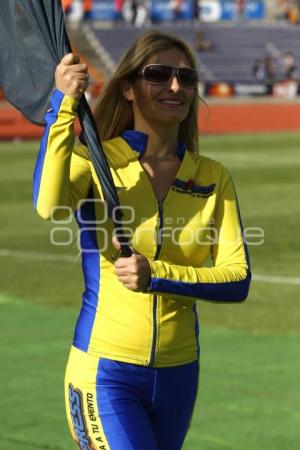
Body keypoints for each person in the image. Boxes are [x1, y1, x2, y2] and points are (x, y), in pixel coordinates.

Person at [33, 30, 251, 450]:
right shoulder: (97, 159)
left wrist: (158, 275)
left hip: (180, 374)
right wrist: (61, 107)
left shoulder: (212, 176)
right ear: (129, 88)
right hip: (106, 370)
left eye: (186, 78)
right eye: (160, 74)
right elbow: (49, 204)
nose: (175, 86)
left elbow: (237, 278)